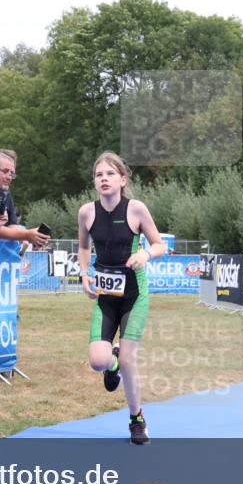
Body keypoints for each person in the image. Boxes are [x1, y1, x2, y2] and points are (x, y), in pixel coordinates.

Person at [78, 151, 164, 445]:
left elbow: (159, 244)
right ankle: (111, 362)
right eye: (99, 175)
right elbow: (83, 247)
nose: (104, 179)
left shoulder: (136, 209)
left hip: (133, 295)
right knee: (98, 361)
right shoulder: (86, 212)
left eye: (110, 174)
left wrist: (144, 253)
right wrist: (84, 273)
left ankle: (137, 419)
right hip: (105, 296)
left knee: (129, 361)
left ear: (122, 180)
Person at [0, 150, 50, 248]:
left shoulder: (5, 193)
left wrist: (34, 237)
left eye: (12, 173)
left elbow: (12, 225)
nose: (9, 177)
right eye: (5, 171)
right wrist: (26, 235)